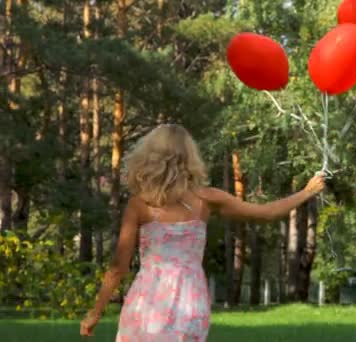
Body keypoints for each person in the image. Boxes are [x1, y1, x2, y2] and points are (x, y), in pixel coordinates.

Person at [79, 124, 325, 341]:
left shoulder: (140, 205)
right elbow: (264, 213)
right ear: (189, 158)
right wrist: (305, 192)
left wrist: (95, 312)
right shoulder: (206, 199)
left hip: (149, 301)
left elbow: (117, 268)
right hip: (191, 300)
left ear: (150, 158)